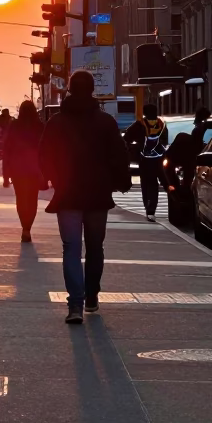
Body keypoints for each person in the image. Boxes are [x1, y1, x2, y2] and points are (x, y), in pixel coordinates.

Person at [39, 70, 132, 324]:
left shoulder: (56, 122)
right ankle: (91, 295)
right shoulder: (105, 122)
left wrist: (50, 179)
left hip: (68, 193)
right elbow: (118, 154)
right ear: (92, 90)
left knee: (70, 248)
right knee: (94, 247)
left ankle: (75, 305)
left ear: (69, 89)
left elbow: (44, 154)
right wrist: (121, 181)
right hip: (97, 194)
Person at [2, 100, 44, 242]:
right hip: (34, 168)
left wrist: (6, 172)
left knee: (21, 198)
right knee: (32, 199)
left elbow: (7, 148)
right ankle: (28, 227)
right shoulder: (39, 126)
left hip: (17, 168)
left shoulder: (14, 126)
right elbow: (46, 149)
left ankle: (24, 227)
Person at [124, 104, 169, 221]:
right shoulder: (162, 124)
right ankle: (152, 209)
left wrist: (134, 148)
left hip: (144, 159)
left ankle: (147, 207)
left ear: (144, 113)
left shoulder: (139, 125)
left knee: (145, 183)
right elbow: (165, 141)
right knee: (154, 184)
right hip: (158, 159)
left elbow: (127, 137)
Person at [0, 108, 13, 188]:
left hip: (4, 143)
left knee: (5, 163)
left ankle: (6, 180)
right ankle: (11, 178)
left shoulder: (0, 120)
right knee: (11, 162)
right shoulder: (11, 120)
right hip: (11, 144)